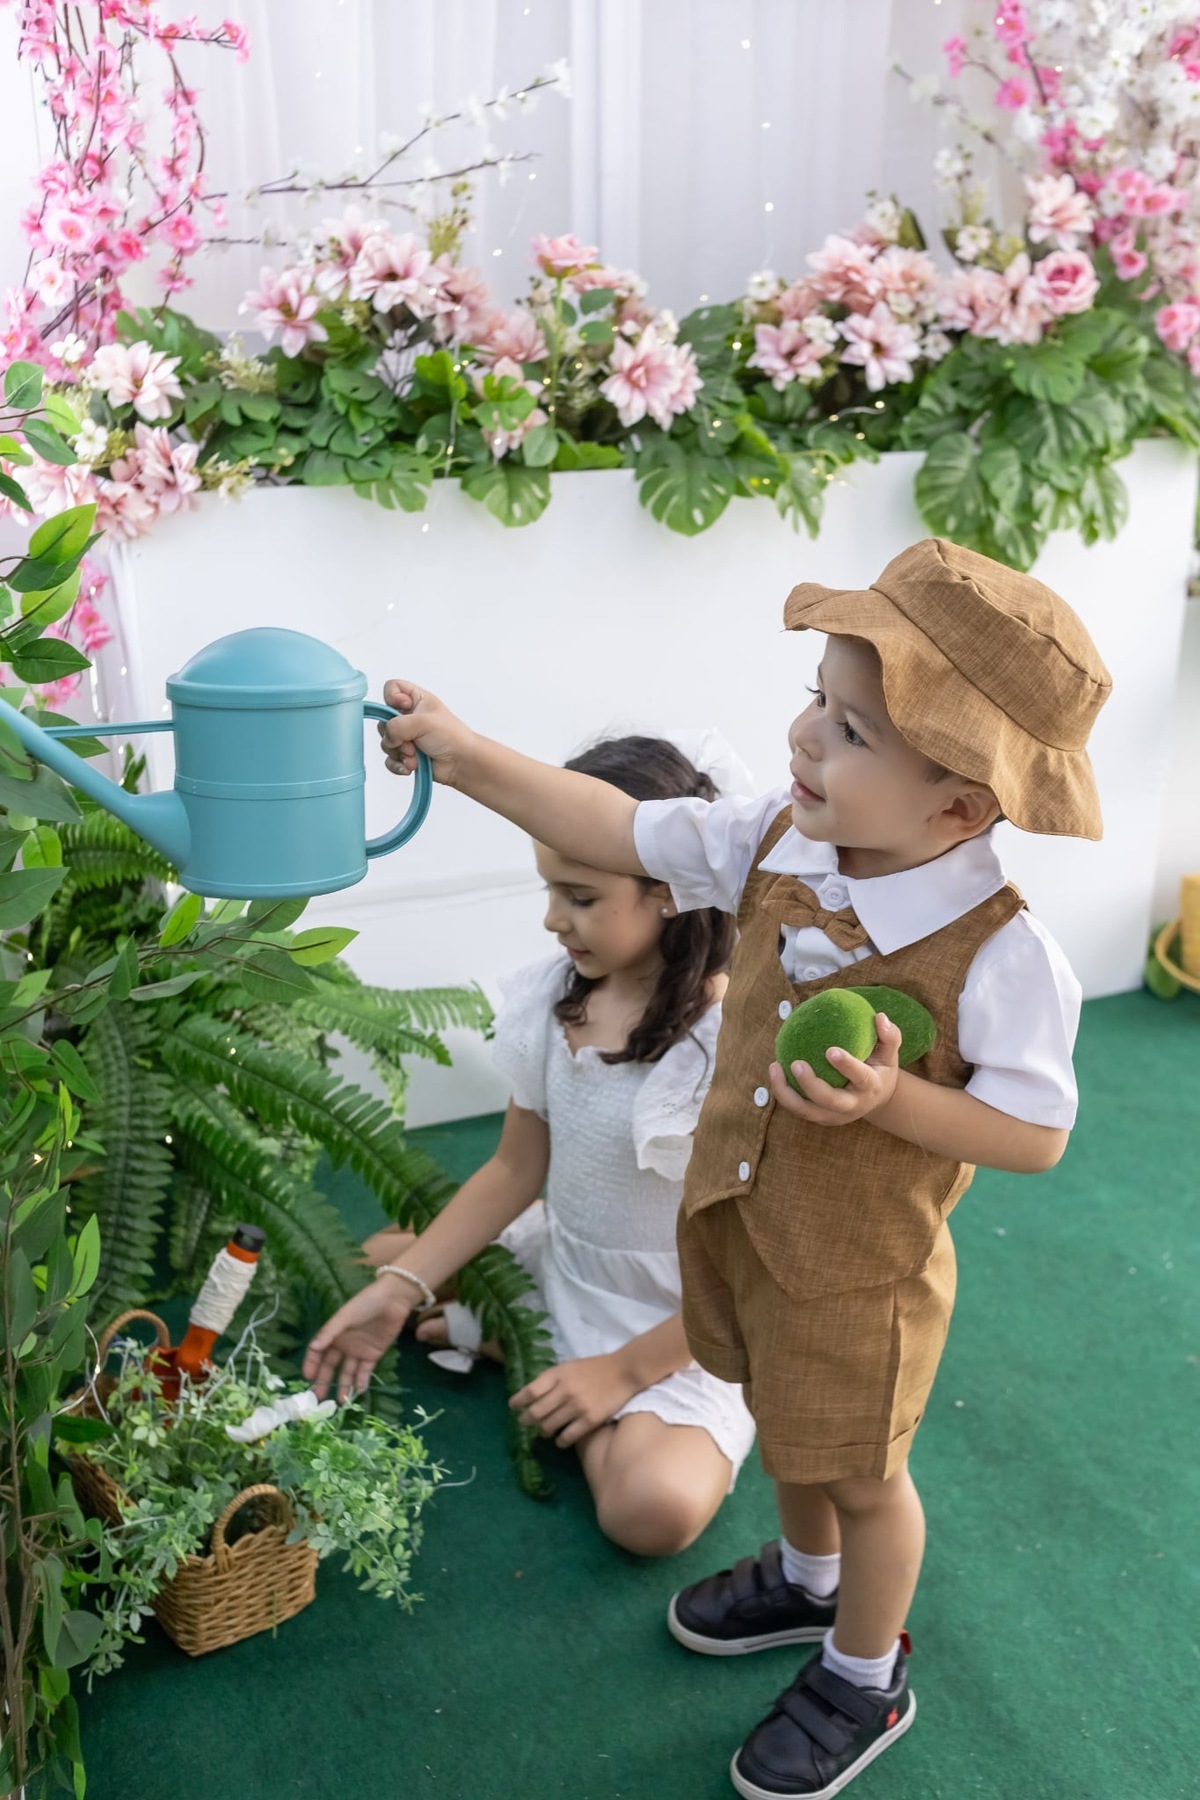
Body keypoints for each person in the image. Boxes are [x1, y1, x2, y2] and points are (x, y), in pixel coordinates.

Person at [312, 537, 1111, 1799]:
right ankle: (804, 1585)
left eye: (851, 731)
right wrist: (462, 756)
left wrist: (895, 1098)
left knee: (862, 1471)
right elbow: (613, 821)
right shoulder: (771, 845)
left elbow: (1039, 1134)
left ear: (959, 809)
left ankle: (865, 1671)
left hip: (859, 1273)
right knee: (790, 1432)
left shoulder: (1000, 955)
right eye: (817, 698)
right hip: (738, 1228)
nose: (805, 740)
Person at [305, 735, 757, 1558]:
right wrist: (407, 1285)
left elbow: (755, 1265)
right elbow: (516, 1168)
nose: (554, 919)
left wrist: (620, 1374)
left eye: (580, 897)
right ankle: (535, 1348)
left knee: (650, 1512)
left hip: (684, 1318)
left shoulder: (729, 1040)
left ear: (667, 890)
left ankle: (543, 1365)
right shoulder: (557, 997)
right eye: (551, 891)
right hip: (565, 1261)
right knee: (370, 1268)